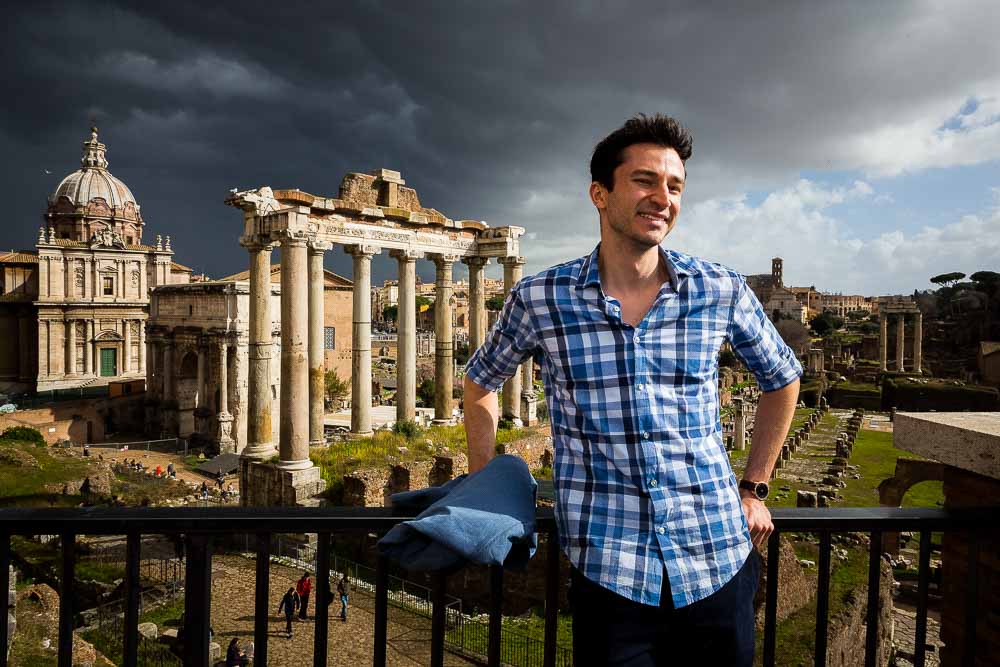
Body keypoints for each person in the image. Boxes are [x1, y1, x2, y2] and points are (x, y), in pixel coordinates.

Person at [463, 114, 801, 667]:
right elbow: (479, 380)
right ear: (600, 193)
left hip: (717, 559)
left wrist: (755, 487)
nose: (662, 197)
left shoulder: (719, 288)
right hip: (611, 574)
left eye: (675, 186)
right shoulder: (542, 297)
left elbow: (782, 377)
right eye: (645, 181)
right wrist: (483, 484)